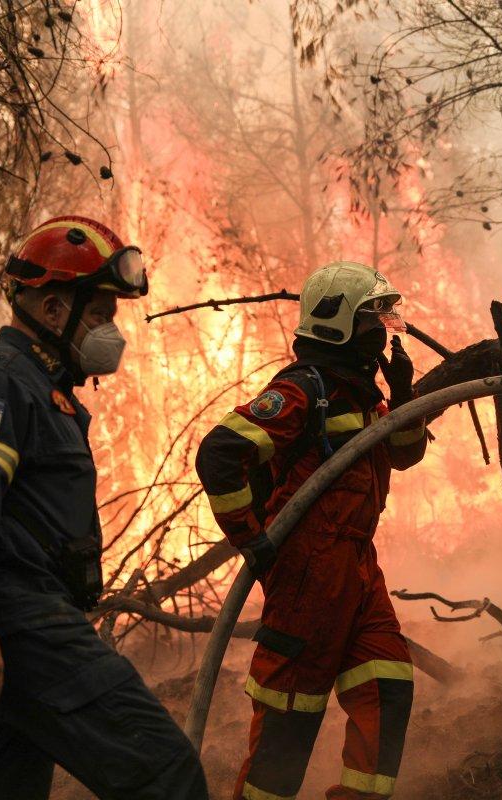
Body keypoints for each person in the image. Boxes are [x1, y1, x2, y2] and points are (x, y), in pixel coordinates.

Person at [0, 215, 208, 800]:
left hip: (1, 625)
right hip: (10, 623)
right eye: (98, 314)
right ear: (49, 309)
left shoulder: (40, 387)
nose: (109, 332)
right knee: (163, 772)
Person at [195, 261, 427, 800]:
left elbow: (406, 454)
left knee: (388, 687)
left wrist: (404, 394)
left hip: (358, 569)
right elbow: (220, 452)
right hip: (305, 578)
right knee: (288, 724)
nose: (383, 328)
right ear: (339, 324)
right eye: (373, 317)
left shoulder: (362, 394)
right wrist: (250, 540)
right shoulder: (304, 390)